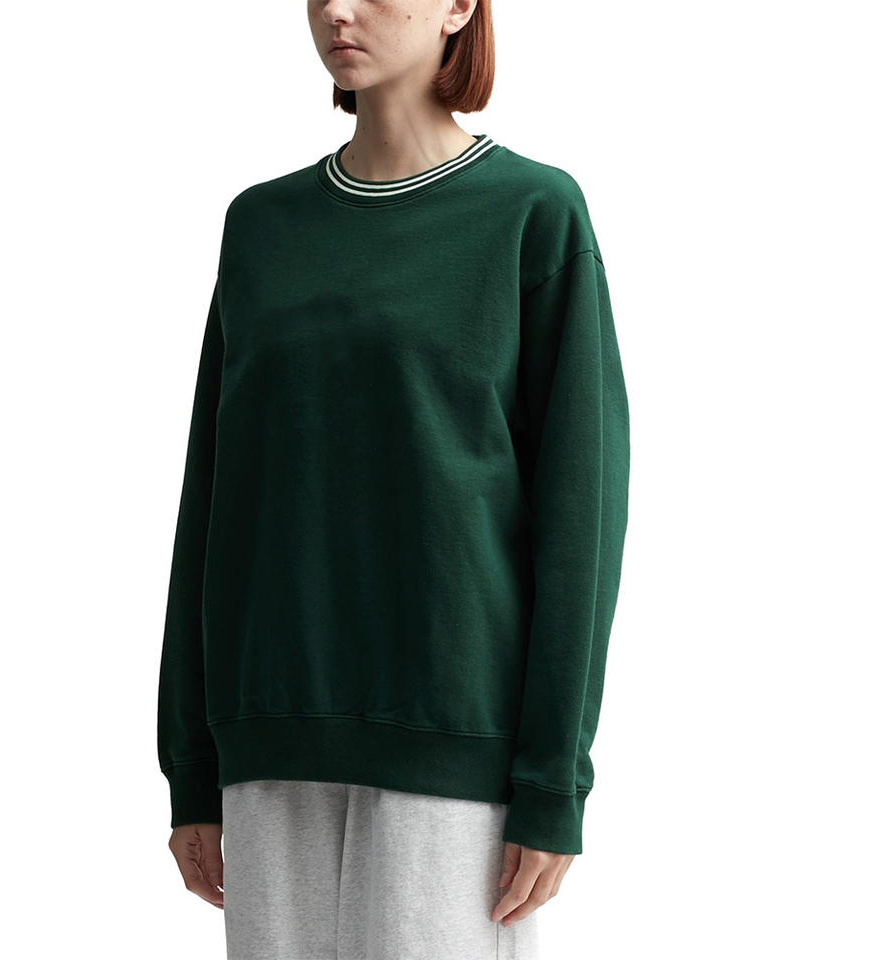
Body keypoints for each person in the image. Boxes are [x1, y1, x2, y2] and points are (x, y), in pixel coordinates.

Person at [156, 1, 630, 957]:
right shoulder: (261, 227)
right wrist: (192, 766)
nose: (338, 9)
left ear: (459, 7)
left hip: (453, 743)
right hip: (271, 739)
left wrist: (552, 780)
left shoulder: (531, 214)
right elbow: (212, 500)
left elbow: (581, 515)